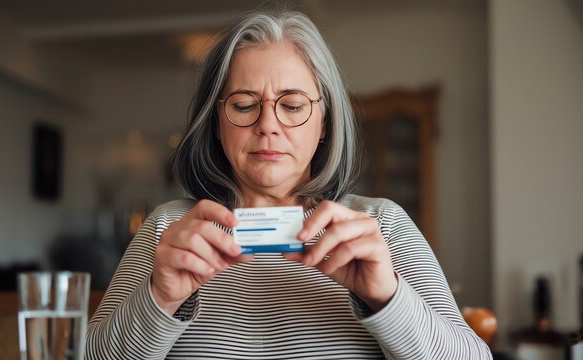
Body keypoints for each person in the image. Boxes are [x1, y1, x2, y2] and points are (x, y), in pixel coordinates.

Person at [86, 10, 492, 359]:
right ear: (216, 124)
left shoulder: (380, 226)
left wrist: (387, 297)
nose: (267, 126)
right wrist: (159, 298)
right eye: (244, 105)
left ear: (324, 123)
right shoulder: (167, 229)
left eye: (293, 106)